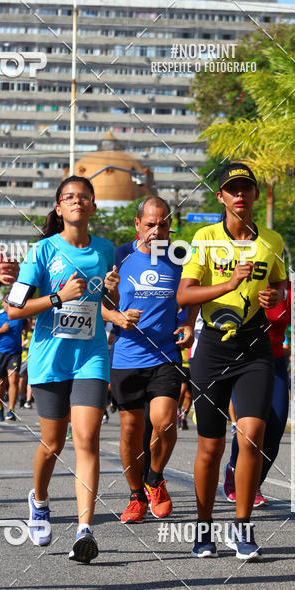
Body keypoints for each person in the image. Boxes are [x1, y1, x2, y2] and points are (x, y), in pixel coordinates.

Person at [6, 175, 118, 563]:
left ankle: (84, 529)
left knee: (86, 439)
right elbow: (13, 308)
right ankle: (39, 499)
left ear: (93, 206)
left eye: (84, 197)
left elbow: (108, 298)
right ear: (58, 207)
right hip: (49, 358)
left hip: (91, 356)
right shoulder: (41, 251)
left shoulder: (105, 249)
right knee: (53, 444)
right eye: (69, 197)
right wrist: (57, 297)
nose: (77, 202)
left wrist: (113, 289)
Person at [178, 162, 287, 560]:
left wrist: (275, 298)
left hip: (254, 348)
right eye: (232, 189)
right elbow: (184, 296)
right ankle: (204, 529)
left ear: (255, 195)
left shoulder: (271, 240)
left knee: (252, 436)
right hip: (211, 350)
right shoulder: (205, 237)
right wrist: (228, 284)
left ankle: (242, 528)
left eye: (247, 189)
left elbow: (278, 284)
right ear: (221, 197)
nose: (240, 195)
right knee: (210, 446)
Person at [103, 196, 193, 523]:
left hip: (165, 355)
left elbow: (192, 292)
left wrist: (188, 322)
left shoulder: (180, 256)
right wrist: (116, 317)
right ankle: (135, 496)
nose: (157, 231)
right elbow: (93, 303)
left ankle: (155, 479)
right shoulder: (117, 256)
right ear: (137, 224)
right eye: (150, 224)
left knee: (165, 421)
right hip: (126, 356)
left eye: (164, 224)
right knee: (130, 429)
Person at [223, 280, 291, 507]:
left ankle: (254, 482)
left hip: (276, 362)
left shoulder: (290, 290)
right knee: (251, 427)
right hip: (244, 363)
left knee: (276, 427)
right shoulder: (241, 281)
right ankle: (236, 472)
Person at [0, 298, 24, 421]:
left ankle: (11, 410)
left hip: (15, 353)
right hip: (1, 353)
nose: (9, 304)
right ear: (3, 303)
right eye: (7, 302)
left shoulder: (20, 314)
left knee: (14, 380)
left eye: (12, 302)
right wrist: (1, 330)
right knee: (0, 382)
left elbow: (27, 325)